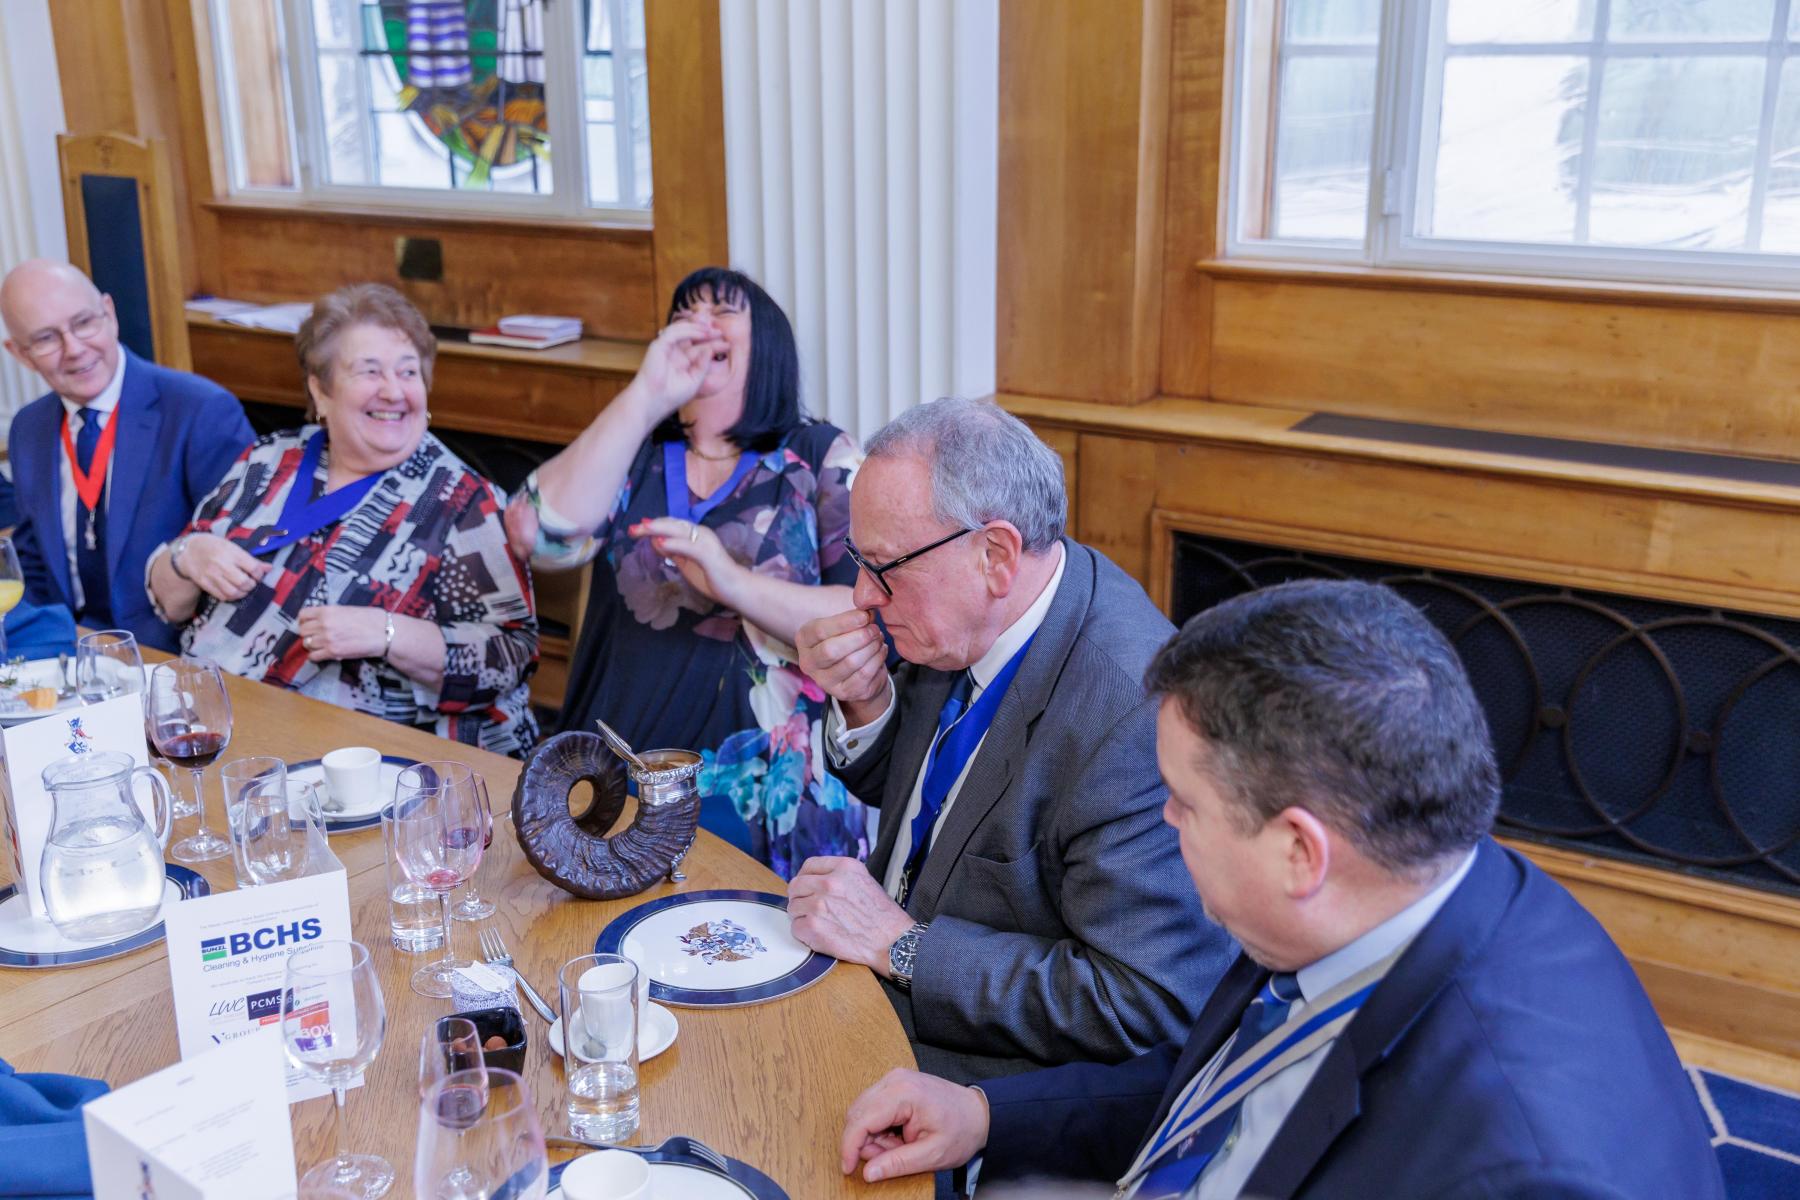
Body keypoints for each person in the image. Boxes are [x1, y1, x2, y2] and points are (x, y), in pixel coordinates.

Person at [837, 579, 1727, 1200]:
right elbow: (1208, 1087)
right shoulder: (1387, 901)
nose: (1166, 829)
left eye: (1183, 806)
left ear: (1301, 852)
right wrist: (984, 1112)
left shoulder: (1519, 1170)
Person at [789, 398, 1235, 1086]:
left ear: (995, 554)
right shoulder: (973, 613)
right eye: (857, 559)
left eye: (881, 566)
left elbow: (1144, 1001)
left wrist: (903, 947)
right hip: (865, 1000)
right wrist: (866, 703)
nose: (860, 596)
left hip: (980, 1088)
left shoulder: (1132, 719)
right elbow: (935, 807)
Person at [503, 266, 870, 876]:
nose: (700, 324)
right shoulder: (634, 449)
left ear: (768, 343)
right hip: (625, 754)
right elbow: (541, 534)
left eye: (722, 312)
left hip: (771, 777)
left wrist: (731, 581)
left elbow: (867, 609)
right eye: (684, 313)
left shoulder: (818, 454)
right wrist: (646, 395)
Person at [144, 283, 538, 756]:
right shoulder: (269, 459)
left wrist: (386, 632)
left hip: (367, 761)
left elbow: (510, 658)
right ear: (321, 390)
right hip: (211, 728)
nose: (393, 391)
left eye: (408, 372)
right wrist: (188, 555)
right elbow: (170, 603)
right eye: (369, 372)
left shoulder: (462, 503)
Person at [1, 260, 254, 651]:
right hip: (69, 653)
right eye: (47, 338)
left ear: (110, 313)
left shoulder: (199, 411)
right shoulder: (28, 428)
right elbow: (34, 567)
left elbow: (242, 557)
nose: (74, 349)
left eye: (84, 323)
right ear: (19, 353)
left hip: (172, 656)